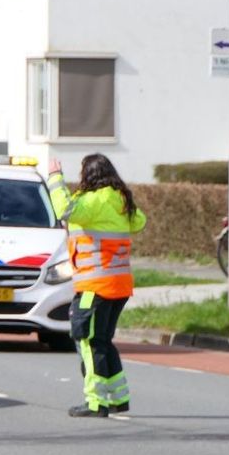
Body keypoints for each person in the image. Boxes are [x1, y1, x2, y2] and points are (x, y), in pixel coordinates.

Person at [47, 155, 146, 418]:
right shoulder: (121, 201)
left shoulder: (93, 201)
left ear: (88, 175)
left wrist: (56, 179)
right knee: (103, 340)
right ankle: (119, 397)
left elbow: (65, 211)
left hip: (95, 286)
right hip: (119, 286)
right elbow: (140, 222)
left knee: (88, 341)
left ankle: (95, 402)